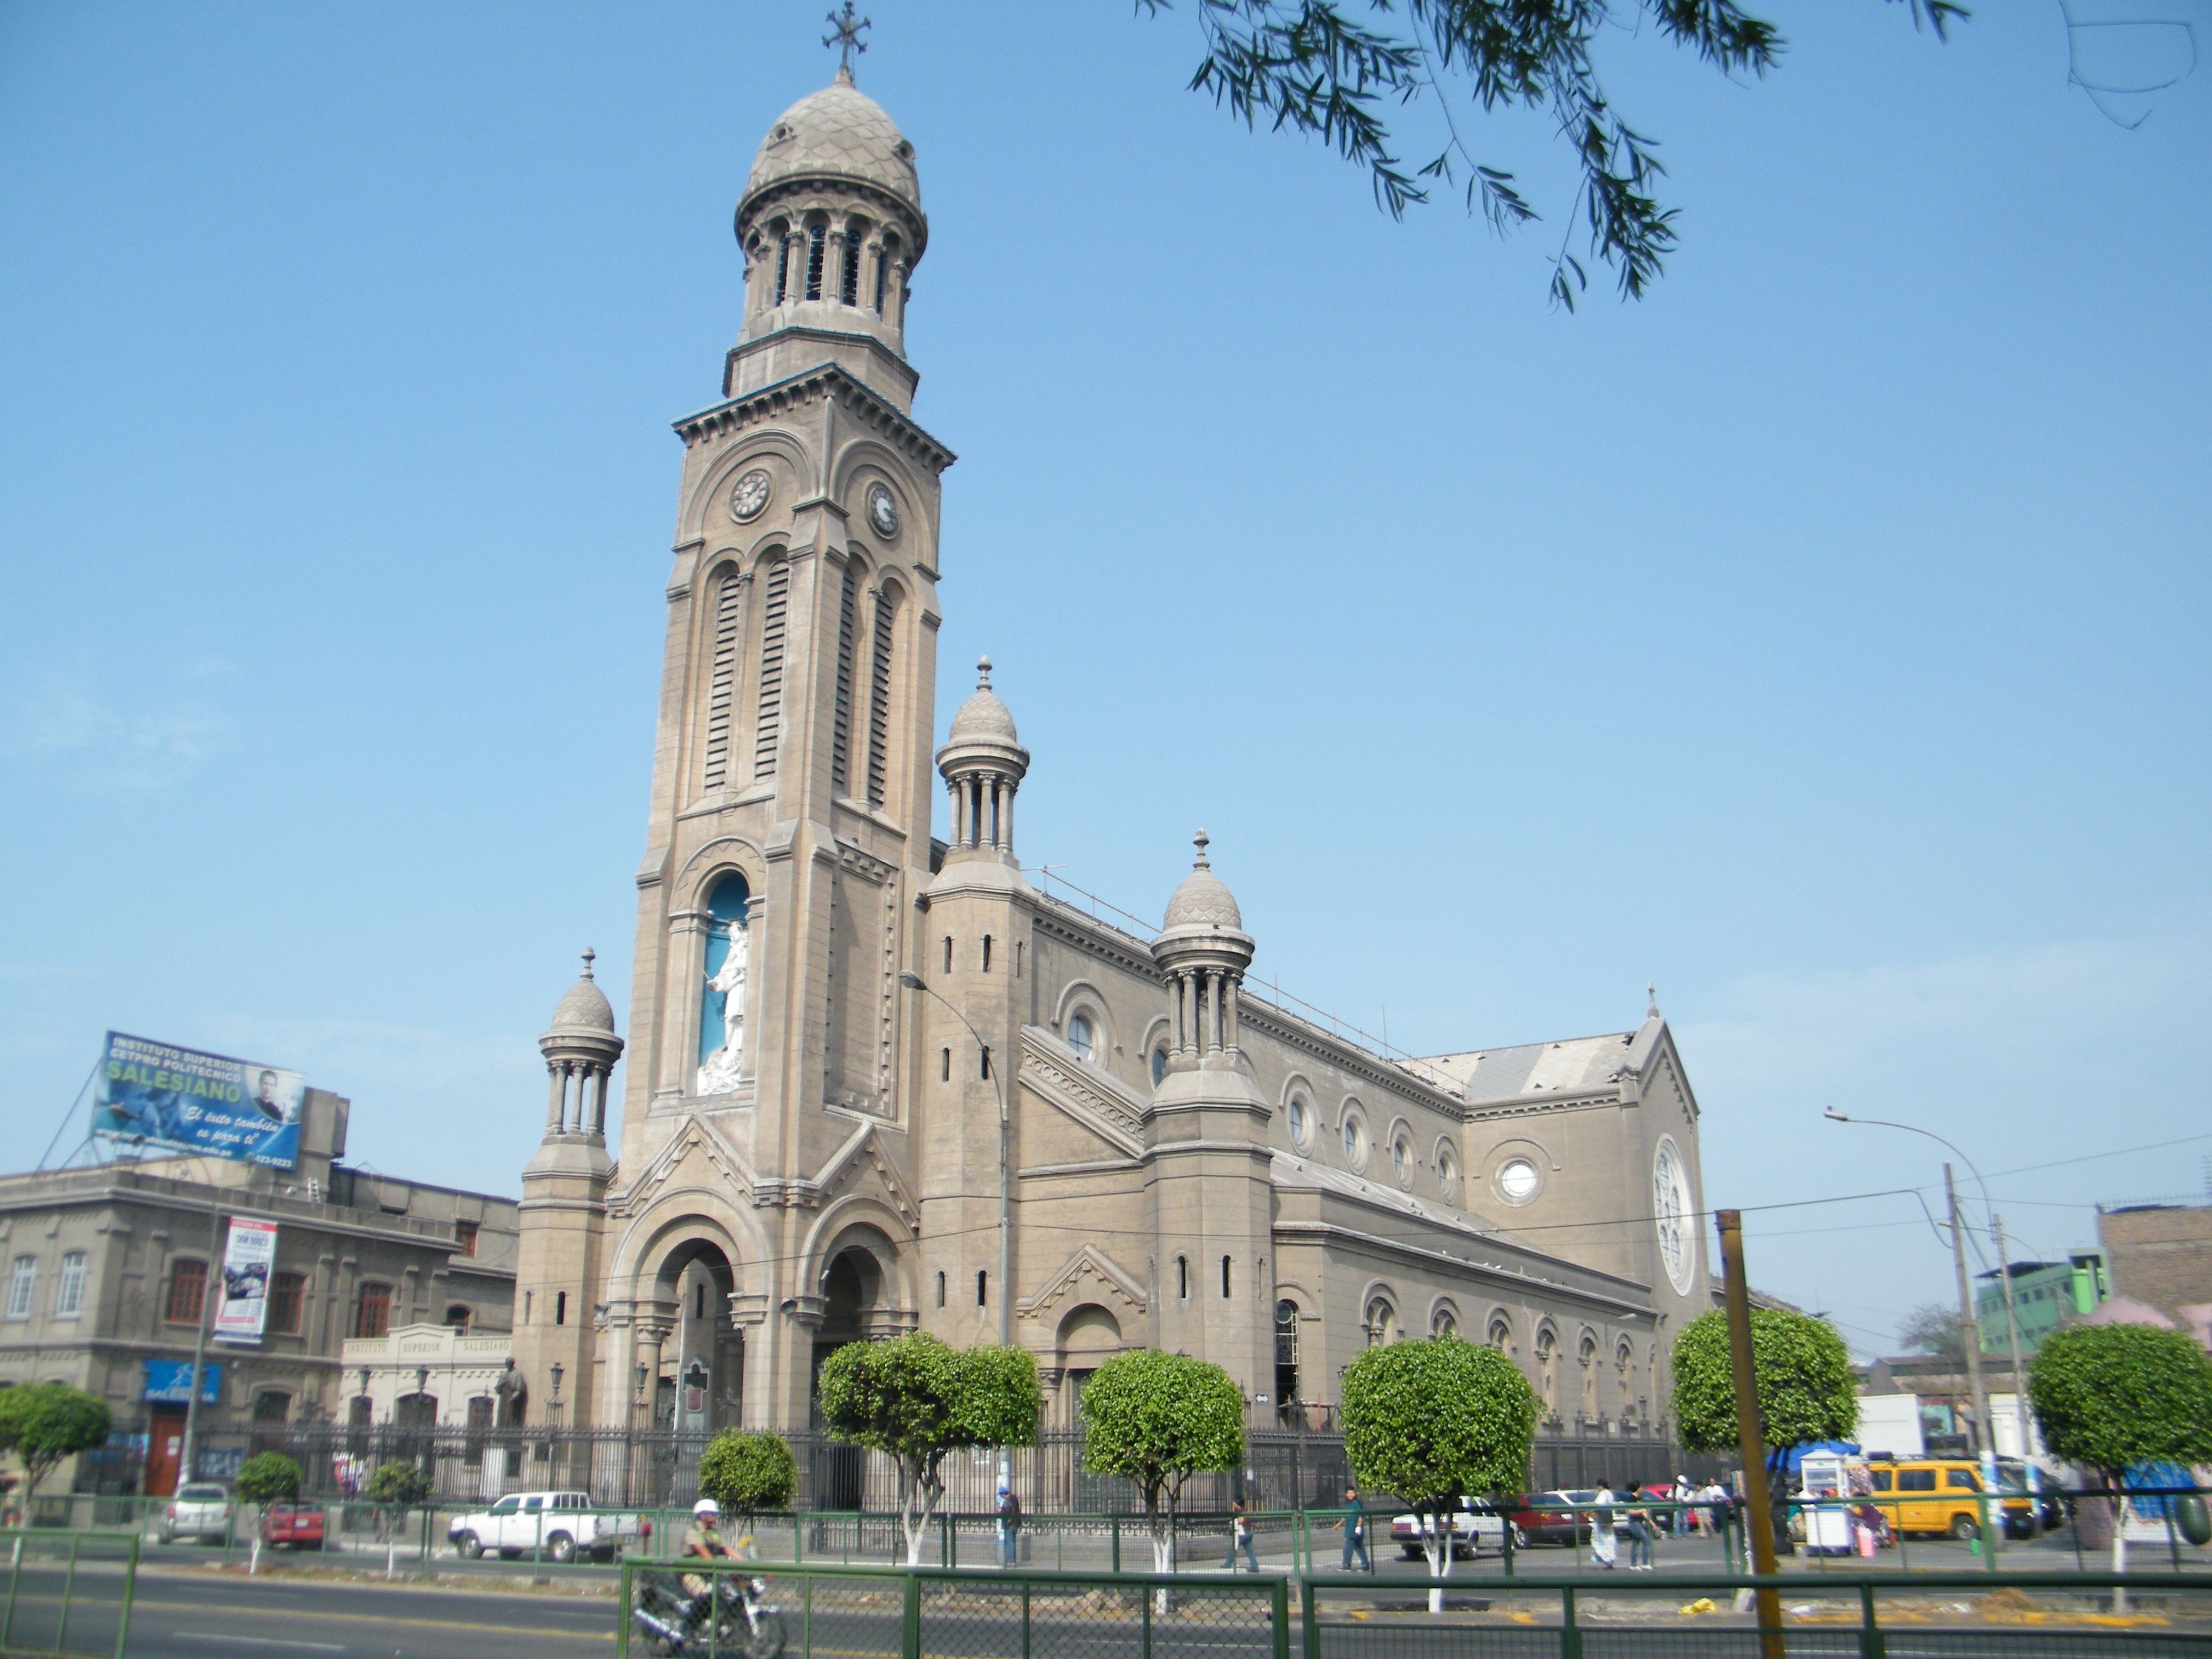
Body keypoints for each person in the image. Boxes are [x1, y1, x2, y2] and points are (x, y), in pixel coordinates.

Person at [682, 1498, 732, 1602]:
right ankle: (695, 1618)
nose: (714, 1517)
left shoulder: (714, 1533)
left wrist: (744, 1564)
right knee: (705, 1597)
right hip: (693, 1574)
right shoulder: (693, 1532)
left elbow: (727, 1549)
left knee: (729, 1595)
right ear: (702, 1515)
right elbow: (703, 1552)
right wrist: (721, 1567)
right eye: (711, 1514)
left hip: (711, 1574)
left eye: (715, 1514)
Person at [1338, 1486, 1370, 1572]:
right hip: (1350, 1530)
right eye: (1349, 1493)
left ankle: (1346, 1564)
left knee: (1347, 1547)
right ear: (1346, 1495)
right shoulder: (1349, 1505)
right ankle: (1365, 1564)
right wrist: (1337, 1526)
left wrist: (1359, 1526)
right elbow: (1344, 1518)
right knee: (1359, 1547)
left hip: (1355, 1530)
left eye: (1352, 1493)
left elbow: (1360, 1516)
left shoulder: (1356, 1503)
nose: (1351, 1495)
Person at [1224, 1501, 1259, 1572]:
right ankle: (1255, 1567)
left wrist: (1233, 1521)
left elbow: (1241, 1520)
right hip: (1248, 1533)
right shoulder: (1242, 1511)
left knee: (1234, 1548)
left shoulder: (1241, 1511)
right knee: (1250, 1551)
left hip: (1243, 1534)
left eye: (1234, 1503)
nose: (1233, 1504)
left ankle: (1227, 1564)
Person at [1589, 1481, 1618, 1570]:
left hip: (1602, 1521)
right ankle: (1609, 1559)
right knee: (1609, 1539)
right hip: (1609, 1520)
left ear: (1601, 1486)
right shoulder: (1610, 1494)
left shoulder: (1603, 1494)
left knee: (1599, 1540)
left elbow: (1599, 1504)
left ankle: (1607, 1560)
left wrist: (1591, 1506)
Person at [1626, 1492, 1655, 1571]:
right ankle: (1644, 1563)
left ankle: (1633, 1564)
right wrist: (1642, 1510)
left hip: (1639, 1523)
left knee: (1635, 1543)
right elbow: (1631, 1512)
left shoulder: (1640, 1499)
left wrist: (1652, 1523)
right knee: (1646, 1541)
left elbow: (1644, 1514)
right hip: (1634, 1523)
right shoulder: (1631, 1499)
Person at [996, 1483, 1022, 1568]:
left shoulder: (1007, 1502)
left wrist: (999, 1511)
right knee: (1012, 1542)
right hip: (1015, 1524)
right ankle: (1011, 1561)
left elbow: (1005, 1513)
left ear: (1003, 1494)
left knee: (1010, 1543)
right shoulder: (1014, 1499)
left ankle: (1011, 1562)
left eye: (1001, 1495)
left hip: (1009, 1525)